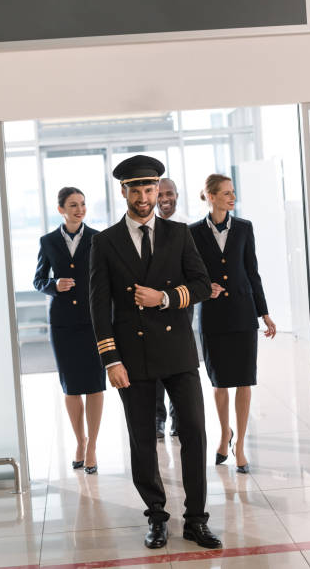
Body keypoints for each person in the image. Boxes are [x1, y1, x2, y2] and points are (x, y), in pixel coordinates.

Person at [89, 155, 222, 550]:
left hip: (179, 353)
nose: (144, 197)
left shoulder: (178, 234)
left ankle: (196, 519)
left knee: (194, 435)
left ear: (157, 190)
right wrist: (110, 359)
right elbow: (99, 306)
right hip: (132, 357)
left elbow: (200, 285)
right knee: (143, 439)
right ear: (124, 192)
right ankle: (157, 516)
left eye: (150, 189)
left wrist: (164, 297)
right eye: (137, 190)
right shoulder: (105, 241)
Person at [190, 174, 276, 474]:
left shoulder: (244, 228)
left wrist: (263, 312)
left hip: (243, 313)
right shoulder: (192, 233)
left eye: (233, 192)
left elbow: (253, 272)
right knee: (219, 383)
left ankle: (239, 446)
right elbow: (190, 275)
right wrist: (203, 289)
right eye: (226, 193)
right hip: (212, 317)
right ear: (210, 196)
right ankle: (224, 433)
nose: (232, 197)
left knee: (244, 380)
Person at [33, 187, 105, 474]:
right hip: (63, 324)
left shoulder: (98, 239)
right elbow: (38, 279)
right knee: (71, 385)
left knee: (96, 383)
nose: (80, 209)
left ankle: (93, 447)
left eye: (83, 204)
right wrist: (54, 285)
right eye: (73, 205)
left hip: (93, 322)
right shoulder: (48, 241)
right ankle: (79, 441)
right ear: (61, 209)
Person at [155, 177, 190, 438]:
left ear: (177, 194)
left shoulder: (188, 226)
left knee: (179, 363)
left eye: (169, 193)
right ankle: (157, 420)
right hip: (153, 303)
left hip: (181, 302)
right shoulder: (147, 227)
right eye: (160, 194)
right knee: (155, 365)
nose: (165, 198)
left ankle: (179, 420)